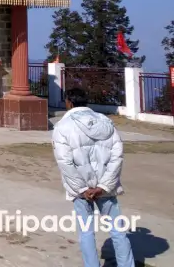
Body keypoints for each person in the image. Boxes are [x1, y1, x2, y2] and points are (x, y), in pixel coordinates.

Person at [52, 88, 133, 267]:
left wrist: (82, 189)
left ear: (69, 102)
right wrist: (104, 185)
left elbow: (65, 162)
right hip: (106, 186)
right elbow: (116, 156)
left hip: (81, 190)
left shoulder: (63, 127)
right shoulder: (106, 122)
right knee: (118, 231)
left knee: (86, 232)